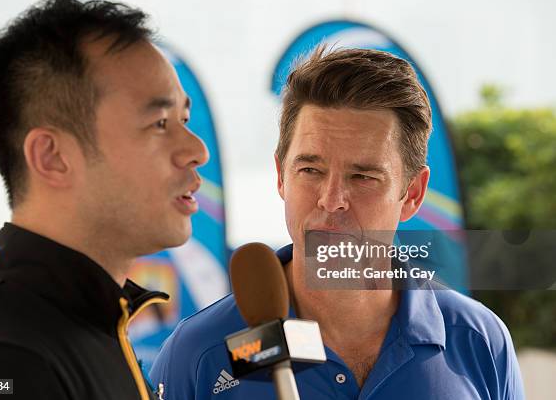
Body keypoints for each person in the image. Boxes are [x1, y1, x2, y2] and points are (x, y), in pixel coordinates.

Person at [149, 47, 525, 399]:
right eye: (310, 169)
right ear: (281, 177)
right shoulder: (200, 353)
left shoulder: (479, 342)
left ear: (412, 193)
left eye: (363, 177)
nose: (331, 200)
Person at [0, 0, 208, 400]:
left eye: (184, 120)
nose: (196, 150)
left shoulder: (99, 322)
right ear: (52, 157)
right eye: (159, 123)